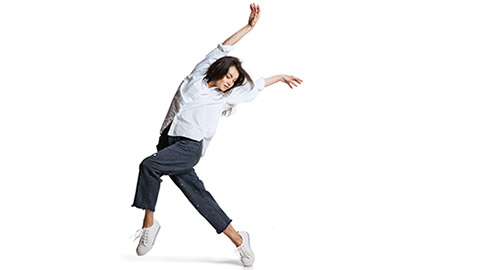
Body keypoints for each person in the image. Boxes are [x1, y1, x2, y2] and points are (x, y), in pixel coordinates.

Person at [131, 3, 302, 267]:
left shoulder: (225, 97)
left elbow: (256, 85)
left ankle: (149, 224)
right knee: (199, 196)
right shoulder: (198, 75)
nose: (229, 82)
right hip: (168, 140)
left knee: (148, 165)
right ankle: (240, 240)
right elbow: (224, 47)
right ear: (219, 70)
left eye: (233, 81)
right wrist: (249, 27)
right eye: (228, 76)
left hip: (189, 147)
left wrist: (278, 77)